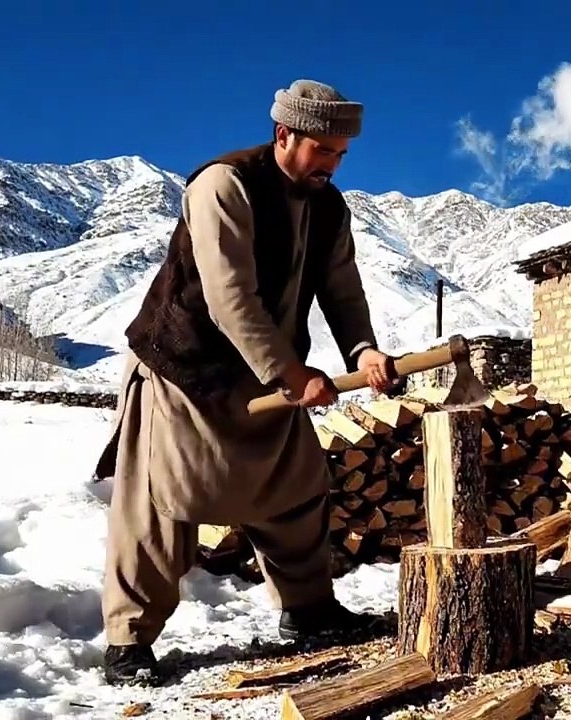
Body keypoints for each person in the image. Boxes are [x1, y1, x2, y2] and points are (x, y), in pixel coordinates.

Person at [91, 79, 396, 685]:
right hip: (186, 373)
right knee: (162, 507)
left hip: (269, 376)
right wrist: (291, 372)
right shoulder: (224, 185)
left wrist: (363, 350)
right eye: (322, 152)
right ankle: (128, 642)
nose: (332, 166)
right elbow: (231, 298)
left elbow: (341, 288)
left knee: (297, 488)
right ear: (285, 134)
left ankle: (309, 611)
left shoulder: (329, 207)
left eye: (341, 155)